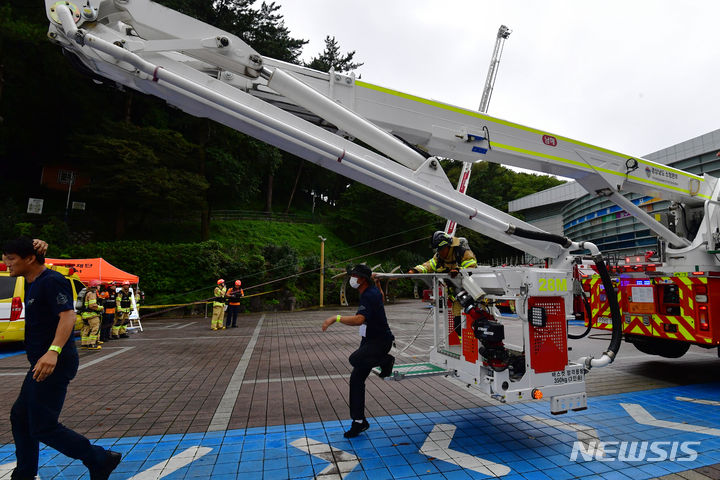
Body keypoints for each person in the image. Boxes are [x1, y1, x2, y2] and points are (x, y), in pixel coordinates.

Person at [1, 237, 121, 480]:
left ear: (29, 259)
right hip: (41, 363)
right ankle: (24, 473)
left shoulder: (52, 281)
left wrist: (53, 351)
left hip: (54, 363)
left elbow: (67, 316)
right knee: (20, 416)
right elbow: (32, 247)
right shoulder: (30, 281)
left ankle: (100, 459)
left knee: (43, 426)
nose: (6, 265)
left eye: (11, 260)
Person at [321, 264, 395, 438]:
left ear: (362, 279)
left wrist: (335, 318)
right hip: (370, 340)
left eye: (353, 276)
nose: (351, 279)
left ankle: (385, 361)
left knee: (354, 359)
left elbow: (359, 319)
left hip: (380, 342)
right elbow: (381, 298)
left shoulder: (368, 294)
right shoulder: (371, 291)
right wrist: (376, 283)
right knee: (356, 379)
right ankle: (359, 422)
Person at [408, 231, 477, 339]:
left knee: (475, 322)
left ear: (448, 246)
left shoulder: (462, 252)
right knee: (459, 326)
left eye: (440, 249)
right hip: (457, 297)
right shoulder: (439, 257)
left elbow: (472, 266)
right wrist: (415, 270)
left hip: (472, 294)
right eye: (437, 250)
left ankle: (474, 349)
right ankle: (465, 348)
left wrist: (459, 271)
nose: (439, 252)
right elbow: (429, 265)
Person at [80, 280, 103, 350]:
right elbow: (92, 305)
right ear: (95, 286)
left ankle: (84, 344)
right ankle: (92, 344)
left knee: (86, 329)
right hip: (92, 315)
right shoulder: (92, 293)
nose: (99, 287)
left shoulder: (86, 292)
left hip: (85, 315)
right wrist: (101, 308)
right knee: (95, 329)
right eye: (98, 285)